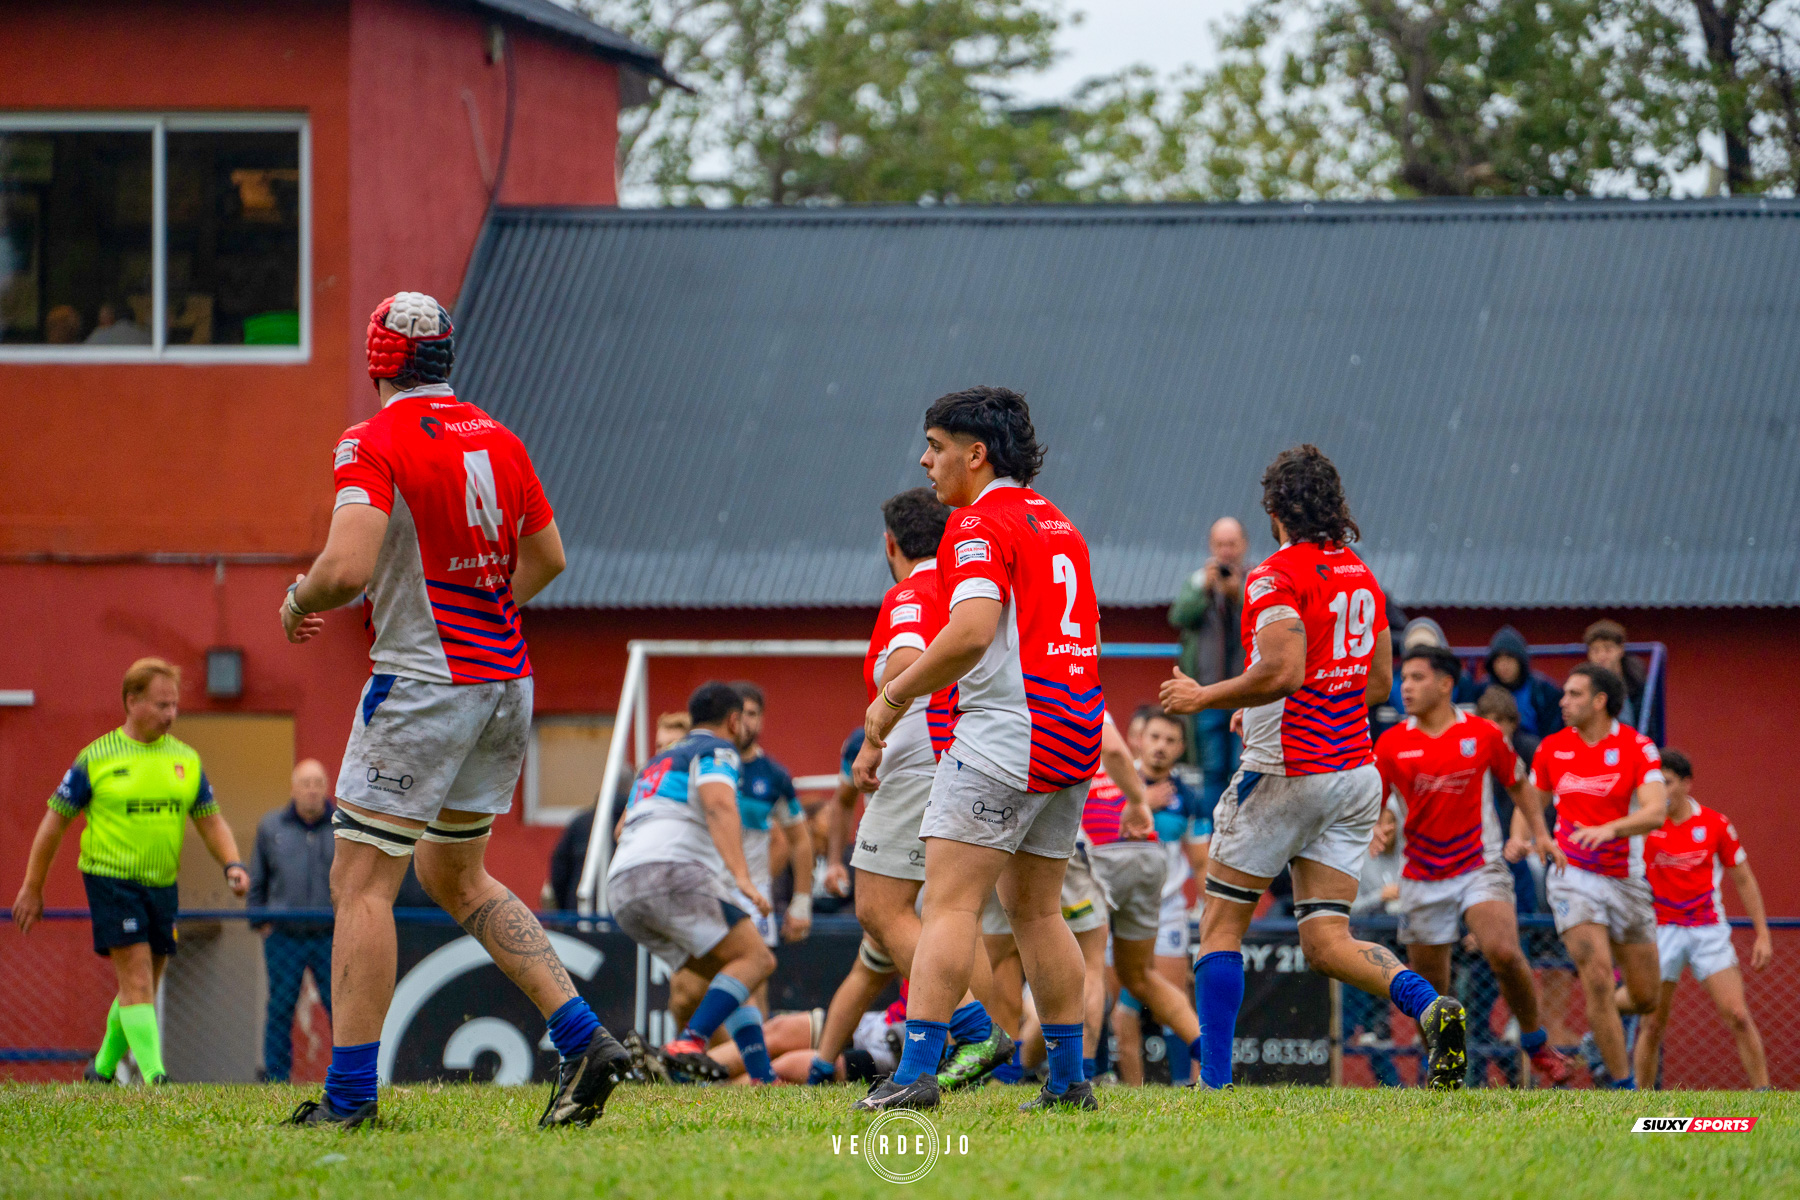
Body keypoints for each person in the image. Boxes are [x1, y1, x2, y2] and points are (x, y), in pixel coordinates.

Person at [278, 292, 629, 1128]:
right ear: (446, 359)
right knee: (452, 872)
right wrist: (480, 608)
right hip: (505, 679)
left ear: (378, 364)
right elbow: (549, 556)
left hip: (425, 682)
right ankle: (583, 1038)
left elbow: (345, 566)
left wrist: (296, 600)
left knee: (360, 882)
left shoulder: (371, 440)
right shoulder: (500, 438)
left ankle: (350, 1098)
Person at [1161, 444, 1468, 1091]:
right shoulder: (1362, 576)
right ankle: (1428, 1004)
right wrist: (1266, 707)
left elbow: (1284, 670)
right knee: (1327, 940)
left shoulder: (1274, 575)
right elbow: (1378, 680)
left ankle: (1211, 1086)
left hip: (1287, 773)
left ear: (1275, 510)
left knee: (1219, 927)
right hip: (1353, 775)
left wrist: (1206, 698)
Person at [854, 386, 1103, 1113]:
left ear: (976, 453)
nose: (927, 462)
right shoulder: (1062, 525)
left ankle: (917, 1074)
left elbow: (968, 633)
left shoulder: (974, 524)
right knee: (1038, 912)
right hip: (1073, 733)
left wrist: (893, 698)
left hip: (1006, 733)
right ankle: (1067, 1082)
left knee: (950, 906)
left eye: (935, 447)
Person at [831, 487, 1013, 1092]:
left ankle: (973, 1028)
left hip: (916, 761)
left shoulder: (912, 590)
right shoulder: (971, 585)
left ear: (891, 544)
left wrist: (878, 726)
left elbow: (908, 654)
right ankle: (981, 1059)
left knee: (880, 908)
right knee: (956, 918)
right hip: (974, 755)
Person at [13, 658, 251, 1085]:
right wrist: (33, 886)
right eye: (162, 705)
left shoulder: (185, 760)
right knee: (138, 977)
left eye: (175, 705)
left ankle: (101, 1070)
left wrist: (232, 863)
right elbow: (54, 823)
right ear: (132, 700)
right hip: (111, 880)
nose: (171, 714)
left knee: (143, 984)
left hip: (161, 884)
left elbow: (210, 820)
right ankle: (156, 1078)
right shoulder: (97, 758)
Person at [1372, 646, 1574, 1086]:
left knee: (1503, 951)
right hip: (1421, 875)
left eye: (1417, 678)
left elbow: (1520, 785)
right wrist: (1379, 825)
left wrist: (1540, 834)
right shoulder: (1391, 742)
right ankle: (1442, 1075)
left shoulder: (1482, 734)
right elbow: (1378, 799)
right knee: (1431, 992)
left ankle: (1536, 1042)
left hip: (1478, 864)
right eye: (1403, 678)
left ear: (1446, 684)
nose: (1405, 687)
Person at [606, 682, 777, 1084]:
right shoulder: (718, 750)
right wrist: (742, 879)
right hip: (671, 873)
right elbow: (719, 804)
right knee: (758, 960)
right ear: (733, 720)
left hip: (622, 885)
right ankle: (688, 1043)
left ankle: (762, 1078)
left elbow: (620, 830)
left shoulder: (657, 763)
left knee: (734, 973)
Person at [1529, 663, 1666, 1089]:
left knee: (1646, 996)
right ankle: (1624, 1091)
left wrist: (1612, 828)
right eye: (1564, 693)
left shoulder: (1639, 748)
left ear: (1600, 701)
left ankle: (1595, 1038)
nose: (1562, 701)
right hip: (1573, 875)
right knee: (1599, 979)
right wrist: (1530, 838)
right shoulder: (1551, 748)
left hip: (1626, 878)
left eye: (1573, 694)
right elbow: (1530, 804)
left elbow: (1656, 811)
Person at [667, 683, 813, 1026]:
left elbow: (798, 839)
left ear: (761, 720)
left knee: (753, 983)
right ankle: (698, 1062)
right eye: (740, 714)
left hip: (750, 894)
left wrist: (801, 901)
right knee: (686, 989)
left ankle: (751, 1074)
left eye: (752, 714)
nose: (745, 722)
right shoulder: (703, 761)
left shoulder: (773, 776)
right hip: (701, 886)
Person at [1631, 750, 1773, 1090]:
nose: (1659, 791)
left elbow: (1744, 879)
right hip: (1661, 930)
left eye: (1666, 783)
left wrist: (1763, 934)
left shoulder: (1715, 824)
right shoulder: (1644, 827)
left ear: (1686, 784)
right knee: (1652, 1025)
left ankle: (1765, 1096)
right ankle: (1639, 1104)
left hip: (1707, 929)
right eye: (1655, 783)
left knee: (1738, 1015)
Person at [1084, 713, 1202, 1086]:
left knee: (1147, 987)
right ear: (1138, 740)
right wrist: (1141, 800)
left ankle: (1198, 1079)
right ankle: (1127, 1084)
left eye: (1170, 740)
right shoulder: (1114, 774)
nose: (1161, 746)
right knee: (1116, 1001)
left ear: (1181, 749)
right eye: (1155, 737)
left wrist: (1205, 906)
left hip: (1164, 907)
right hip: (1107, 896)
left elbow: (1200, 862)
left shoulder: (1188, 797)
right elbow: (1099, 818)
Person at [250, 759, 337, 1083]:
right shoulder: (271, 827)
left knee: (340, 1008)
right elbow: (257, 880)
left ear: (327, 788)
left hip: (330, 937)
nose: (312, 790)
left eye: (318, 783)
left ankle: (349, 1075)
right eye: (306, 783)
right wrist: (260, 922)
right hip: (283, 936)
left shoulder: (343, 826)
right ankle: (275, 1077)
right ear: (293, 788)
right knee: (280, 1006)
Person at [1168, 518, 1248, 799]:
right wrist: (1206, 590)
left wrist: (1236, 595)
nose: (1226, 551)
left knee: (1243, 767)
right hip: (1207, 692)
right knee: (1211, 769)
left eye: (1231, 544)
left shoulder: (1254, 581)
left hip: (1245, 692)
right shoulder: (1198, 581)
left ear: (1243, 546)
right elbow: (1178, 617)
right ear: (1211, 546)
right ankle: (1213, 833)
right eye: (1220, 544)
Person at [1481, 627, 1562, 752]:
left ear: (1520, 660)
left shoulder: (1542, 690)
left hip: (1536, 752)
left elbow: (1553, 731)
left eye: (1509, 658)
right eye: (1498, 659)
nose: (1503, 665)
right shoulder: (1482, 689)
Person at [1583, 620, 1661, 745]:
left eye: (1608, 649)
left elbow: (1650, 727)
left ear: (1620, 650)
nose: (1601, 656)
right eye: (1595, 650)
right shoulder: (1583, 685)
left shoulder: (1637, 683)